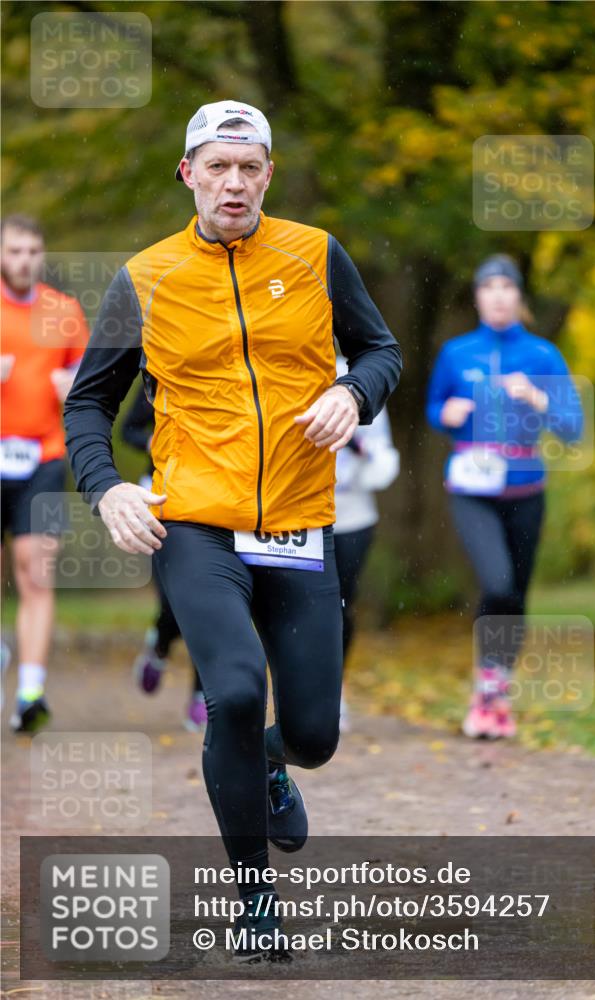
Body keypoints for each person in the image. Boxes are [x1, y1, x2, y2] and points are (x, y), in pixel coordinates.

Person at [64, 100, 401, 961]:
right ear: (189, 174)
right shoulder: (144, 277)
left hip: (299, 521)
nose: (234, 183)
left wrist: (352, 392)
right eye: (217, 166)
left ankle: (273, 764)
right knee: (238, 693)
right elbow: (89, 402)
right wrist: (106, 489)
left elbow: (381, 351)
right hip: (195, 524)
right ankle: (254, 901)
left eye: (249, 167)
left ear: (268, 175)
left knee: (315, 735)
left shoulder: (315, 254)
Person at [426, 254, 582, 740]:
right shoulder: (456, 353)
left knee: (515, 592)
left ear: (519, 297)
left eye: (506, 287)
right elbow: (434, 406)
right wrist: (445, 413)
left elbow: (573, 427)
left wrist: (537, 397)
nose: (497, 296)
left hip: (526, 487)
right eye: (488, 287)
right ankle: (488, 691)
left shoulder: (542, 356)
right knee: (496, 582)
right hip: (472, 487)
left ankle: (495, 694)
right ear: (477, 297)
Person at [1, 214, 88, 733]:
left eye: (32, 251)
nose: (24, 261)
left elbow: (89, 381)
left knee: (36, 573)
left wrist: (73, 387)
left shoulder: (64, 311)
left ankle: (30, 694)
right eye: (14, 251)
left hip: (43, 458)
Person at [121, 383, 207, 731]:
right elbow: (127, 430)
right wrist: (151, 442)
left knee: (209, 600)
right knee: (174, 599)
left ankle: (202, 695)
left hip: (210, 495)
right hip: (160, 498)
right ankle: (159, 646)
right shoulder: (157, 383)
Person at [333, 355, 400, 731]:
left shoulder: (359, 374)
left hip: (352, 512)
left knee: (341, 604)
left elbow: (382, 462)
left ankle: (334, 689)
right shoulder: (278, 365)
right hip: (295, 515)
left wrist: (358, 445)